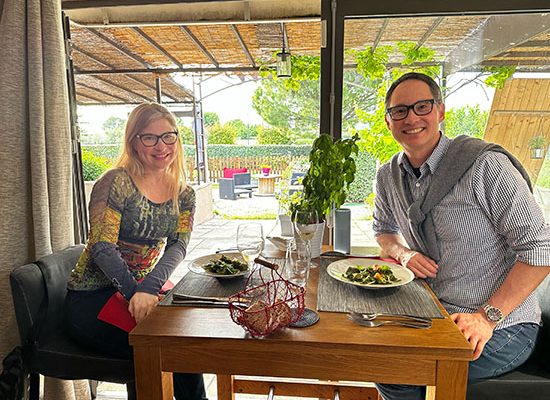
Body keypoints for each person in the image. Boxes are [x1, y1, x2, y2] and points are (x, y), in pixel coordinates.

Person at [373, 72, 550, 400]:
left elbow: (541, 249)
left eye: (422, 106)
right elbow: (383, 230)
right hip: (435, 311)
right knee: (377, 354)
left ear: (440, 112)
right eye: (400, 111)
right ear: (388, 122)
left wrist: (486, 318)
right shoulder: (387, 176)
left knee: (399, 373)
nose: (411, 117)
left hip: (503, 326)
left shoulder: (486, 167)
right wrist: (402, 253)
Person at [65, 103, 207, 400]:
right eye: (149, 137)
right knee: (167, 347)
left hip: (143, 288)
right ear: (133, 141)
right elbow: (102, 246)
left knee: (192, 338)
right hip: (93, 297)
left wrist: (149, 289)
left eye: (169, 136)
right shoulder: (115, 182)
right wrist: (136, 293)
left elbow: (178, 245)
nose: (161, 146)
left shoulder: (185, 194)